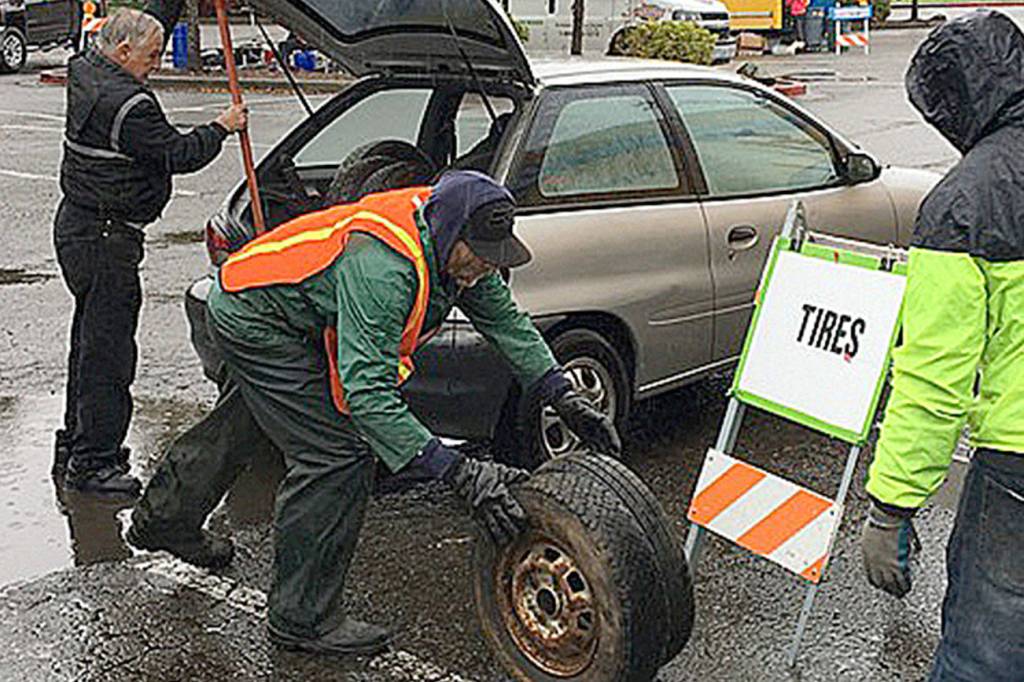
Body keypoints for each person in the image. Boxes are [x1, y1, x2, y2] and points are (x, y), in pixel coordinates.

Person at [127, 170, 621, 654]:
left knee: (245, 421)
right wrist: (457, 471)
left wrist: (561, 392)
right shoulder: (386, 268)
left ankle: (165, 519)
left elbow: (507, 322)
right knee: (335, 455)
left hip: (288, 309)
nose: (487, 265)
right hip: (254, 318)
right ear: (452, 233)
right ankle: (301, 618)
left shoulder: (459, 244)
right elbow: (368, 395)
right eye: (480, 254)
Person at [860, 11, 1024, 681]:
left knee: (983, 657)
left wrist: (891, 504)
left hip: (1016, 462)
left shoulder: (964, 203)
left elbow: (934, 381)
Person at [53, 0, 248, 499]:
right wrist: (222, 126)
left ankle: (74, 448)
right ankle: (94, 465)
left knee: (89, 345)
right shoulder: (128, 105)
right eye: (152, 56)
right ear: (123, 51)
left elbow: (147, 22)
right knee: (109, 356)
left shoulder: (86, 66)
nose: (156, 65)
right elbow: (179, 153)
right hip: (105, 238)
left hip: (79, 227)